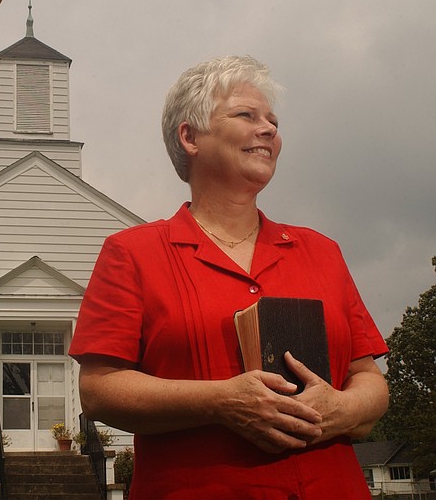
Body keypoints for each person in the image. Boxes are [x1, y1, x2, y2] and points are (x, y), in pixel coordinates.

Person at [68, 55, 389, 499]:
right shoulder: (132, 254)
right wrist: (222, 401)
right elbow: (99, 389)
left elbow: (368, 378)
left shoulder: (322, 252)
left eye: (273, 120)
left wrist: (339, 408)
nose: (269, 129)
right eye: (247, 115)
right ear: (190, 137)